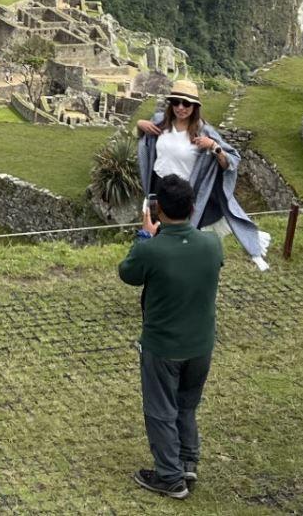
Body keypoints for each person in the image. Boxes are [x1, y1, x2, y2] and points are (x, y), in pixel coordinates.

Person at [118, 174, 223, 500]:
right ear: (192, 208)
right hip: (201, 344)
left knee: (160, 409)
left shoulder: (152, 250)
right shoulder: (212, 244)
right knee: (186, 405)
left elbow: (128, 273)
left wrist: (144, 236)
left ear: (158, 209)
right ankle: (187, 461)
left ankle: (170, 477)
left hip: (163, 347)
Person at [135, 80, 271, 271]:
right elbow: (145, 140)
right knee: (154, 230)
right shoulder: (160, 121)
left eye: (186, 103)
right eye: (176, 102)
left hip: (183, 192)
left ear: (195, 106)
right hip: (158, 186)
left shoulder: (203, 130)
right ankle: (157, 269)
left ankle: (179, 270)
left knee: (179, 235)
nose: (180, 107)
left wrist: (214, 146)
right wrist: (140, 124)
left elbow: (232, 160)